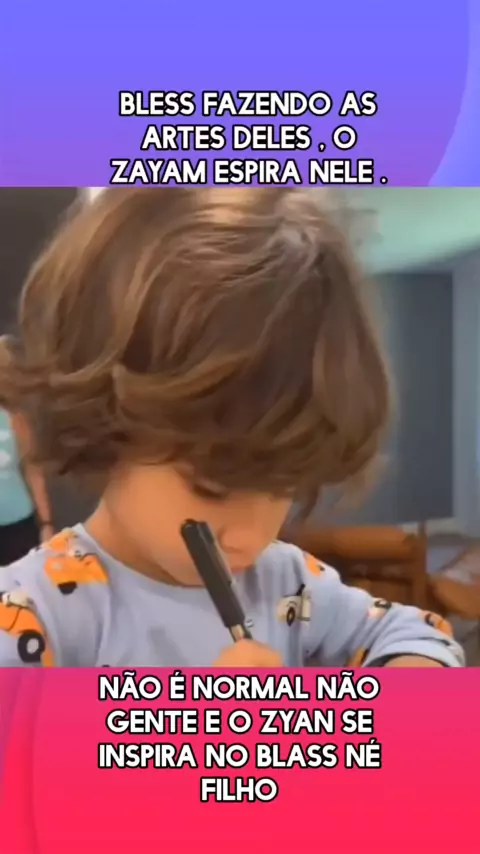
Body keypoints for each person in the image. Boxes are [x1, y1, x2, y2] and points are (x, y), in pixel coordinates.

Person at [0, 188, 464, 668]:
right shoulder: (34, 616)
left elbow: (418, 637)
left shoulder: (286, 582)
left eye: (282, 487)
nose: (250, 537)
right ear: (108, 423)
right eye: (215, 489)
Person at [0, 405, 53, 565]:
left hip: (18, 524)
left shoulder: (14, 417)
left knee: (25, 579)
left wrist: (46, 524)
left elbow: (32, 470)